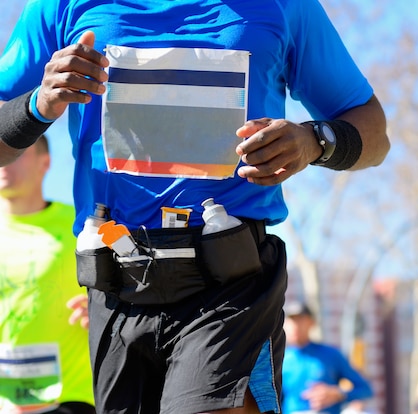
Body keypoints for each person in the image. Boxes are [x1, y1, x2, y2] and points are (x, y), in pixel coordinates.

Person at [0, 1, 390, 413]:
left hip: (229, 283)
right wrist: (37, 104)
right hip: (116, 281)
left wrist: (315, 141)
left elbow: (374, 133)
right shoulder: (59, 6)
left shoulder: (285, 6)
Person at [0, 134, 95, 413]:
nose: (4, 162)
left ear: (45, 162)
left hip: (71, 395)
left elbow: (128, 287)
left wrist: (105, 309)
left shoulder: (80, 228)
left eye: (15, 152)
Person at [281, 301, 373, 414]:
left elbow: (365, 389)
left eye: (301, 320)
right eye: (291, 321)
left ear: (312, 323)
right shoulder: (280, 360)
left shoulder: (331, 354)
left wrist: (338, 393)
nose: (295, 326)